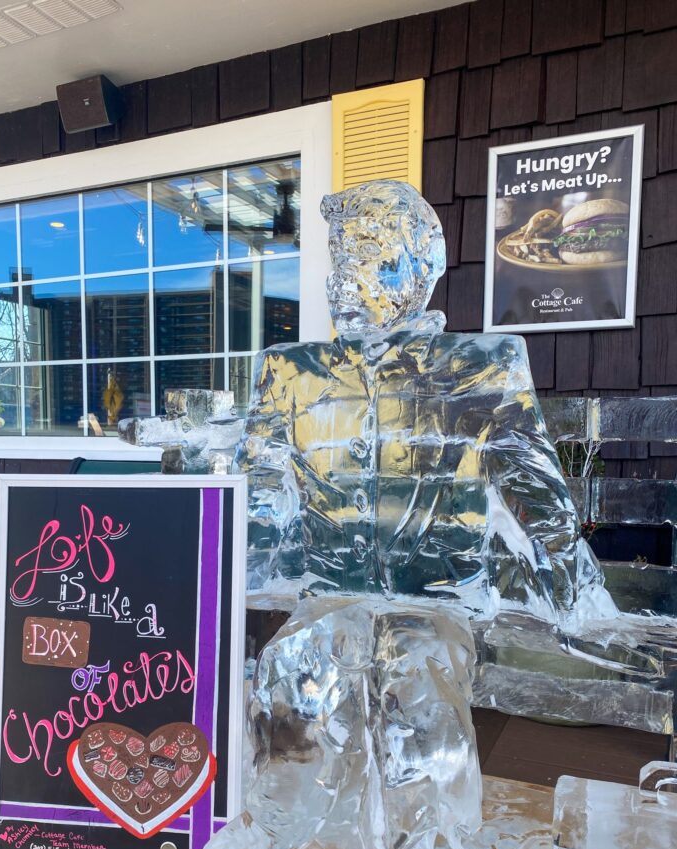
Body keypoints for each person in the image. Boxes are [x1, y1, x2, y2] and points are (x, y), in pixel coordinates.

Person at [238, 180, 612, 627]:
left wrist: (582, 613)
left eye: (368, 255)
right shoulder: (290, 373)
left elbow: (538, 500)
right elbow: (256, 497)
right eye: (340, 257)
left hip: (438, 611)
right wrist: (226, 584)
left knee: (418, 683)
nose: (343, 279)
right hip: (329, 608)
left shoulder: (479, 367)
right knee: (292, 676)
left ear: (422, 266)